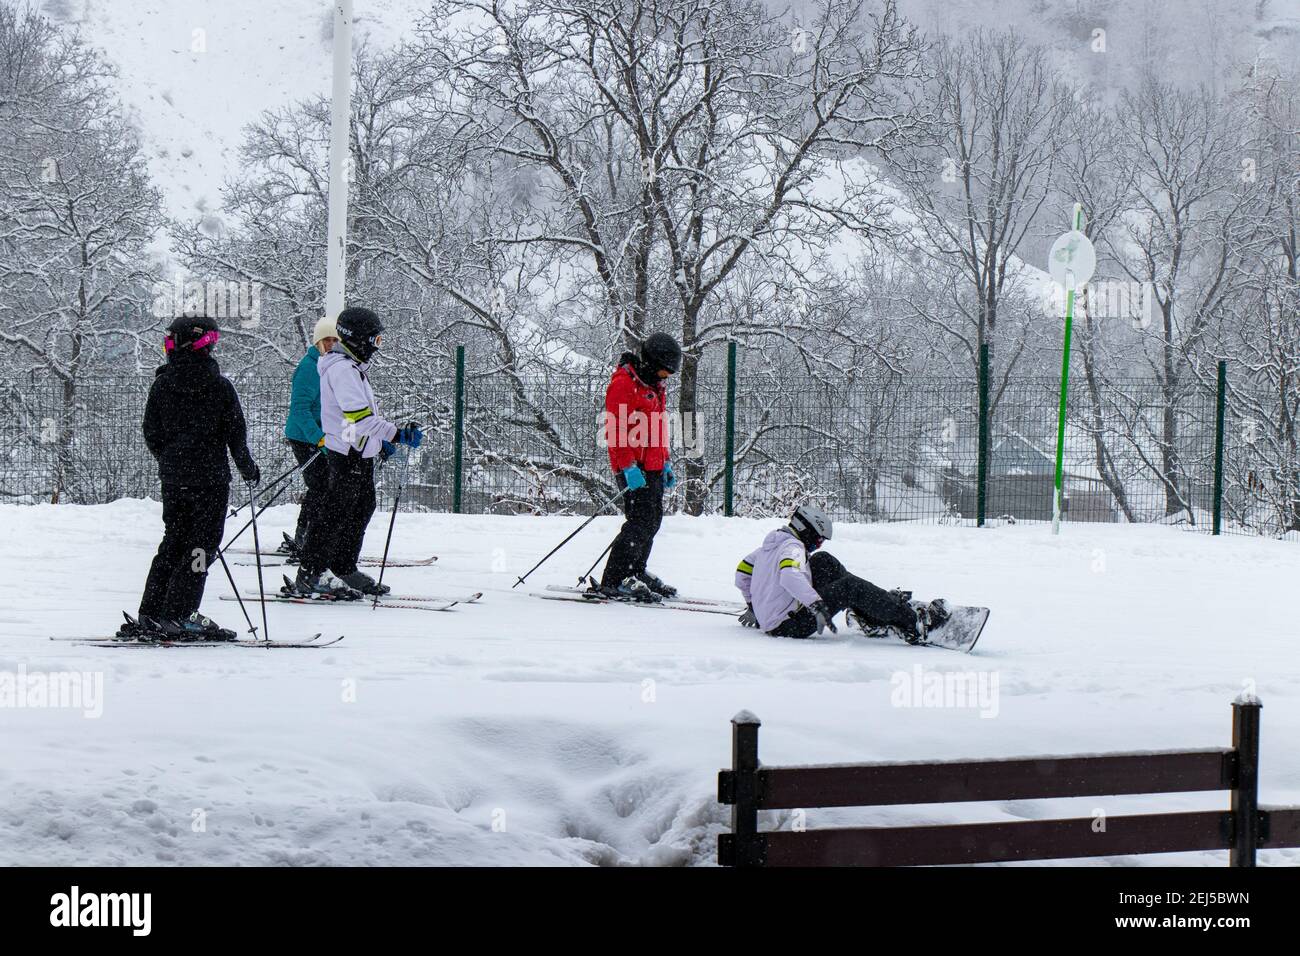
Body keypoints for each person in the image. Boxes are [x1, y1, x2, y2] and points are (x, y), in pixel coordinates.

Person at [119, 315, 260, 640]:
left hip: (175, 480)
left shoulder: (162, 385)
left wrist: (171, 460)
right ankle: (181, 613)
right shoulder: (220, 387)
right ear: (206, 345)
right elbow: (235, 434)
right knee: (200, 549)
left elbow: (151, 431)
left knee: (173, 542)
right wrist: (247, 468)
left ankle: (152, 612)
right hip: (209, 482)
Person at [292, 306, 422, 598]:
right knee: (335, 512)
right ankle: (311, 572)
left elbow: (362, 421)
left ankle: (342, 566)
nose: (377, 348)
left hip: (360, 452)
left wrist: (380, 443)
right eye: (375, 341)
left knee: (361, 507)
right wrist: (396, 433)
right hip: (347, 453)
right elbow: (359, 418)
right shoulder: (341, 370)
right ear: (358, 339)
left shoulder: (351, 368)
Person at [734, 504, 950, 642]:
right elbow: (789, 576)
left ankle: (873, 614)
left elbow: (742, 572)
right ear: (805, 530)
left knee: (823, 561)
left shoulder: (769, 547)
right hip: (789, 625)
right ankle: (916, 624)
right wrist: (816, 605)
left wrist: (753, 606)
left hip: (778, 620)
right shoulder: (793, 548)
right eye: (818, 539)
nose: (817, 545)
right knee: (849, 587)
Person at [596, 332, 681, 602]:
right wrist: (627, 466)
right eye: (664, 371)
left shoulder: (653, 385)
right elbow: (616, 429)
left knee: (653, 521)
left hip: (653, 465)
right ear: (651, 361)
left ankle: (636, 571)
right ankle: (615, 578)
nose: (665, 377)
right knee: (639, 522)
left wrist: (665, 461)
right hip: (633, 468)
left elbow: (657, 428)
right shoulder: (624, 384)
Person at [278, 316, 338, 562]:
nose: (332, 345)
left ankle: (311, 537)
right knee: (320, 486)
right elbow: (300, 410)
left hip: (322, 435)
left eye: (335, 340)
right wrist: (318, 438)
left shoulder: (331, 365)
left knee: (325, 487)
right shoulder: (308, 368)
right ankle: (304, 538)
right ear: (318, 342)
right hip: (305, 436)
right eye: (327, 340)